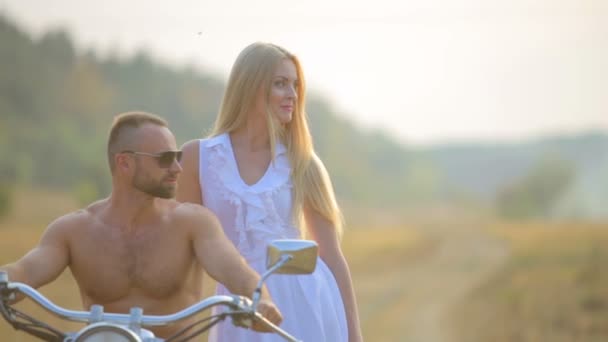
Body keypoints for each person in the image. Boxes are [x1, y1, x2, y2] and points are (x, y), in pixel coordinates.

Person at [0, 111, 283, 339]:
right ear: (124, 163)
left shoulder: (193, 224)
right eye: (164, 159)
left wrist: (262, 300)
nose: (177, 168)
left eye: (177, 157)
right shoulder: (73, 231)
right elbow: (26, 270)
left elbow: (236, 270)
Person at [177, 42, 363, 342]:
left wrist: (355, 336)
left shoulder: (304, 161)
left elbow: (331, 254)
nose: (292, 94)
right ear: (250, 86)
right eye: (280, 84)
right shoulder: (197, 158)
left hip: (306, 300)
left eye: (295, 85)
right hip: (238, 304)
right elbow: (184, 252)